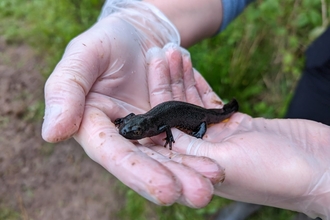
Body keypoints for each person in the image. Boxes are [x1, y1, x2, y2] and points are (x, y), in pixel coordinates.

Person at [41, 0, 330, 219]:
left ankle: (291, 200)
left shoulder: (154, 126)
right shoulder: (141, 123)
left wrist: (318, 186)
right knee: (306, 114)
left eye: (133, 132)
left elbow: (164, 126)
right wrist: (146, 20)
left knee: (213, 118)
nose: (132, 133)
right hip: (323, 67)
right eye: (131, 131)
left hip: (197, 115)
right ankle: (270, 196)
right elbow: (133, 119)